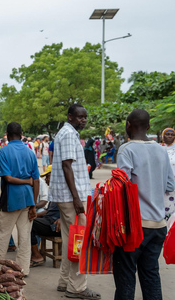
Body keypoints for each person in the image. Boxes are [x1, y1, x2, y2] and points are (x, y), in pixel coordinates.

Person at [115, 110, 175, 300]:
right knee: (151, 276)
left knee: (126, 278)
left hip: (134, 225)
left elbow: (120, 187)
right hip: (158, 225)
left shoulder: (127, 149)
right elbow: (170, 185)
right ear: (149, 126)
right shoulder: (161, 150)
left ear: (127, 125)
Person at [49, 104, 100, 299]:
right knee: (80, 240)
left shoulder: (65, 132)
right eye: (80, 117)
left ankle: (64, 281)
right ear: (70, 117)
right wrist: (77, 198)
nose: (84, 120)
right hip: (72, 198)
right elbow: (67, 166)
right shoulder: (69, 134)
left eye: (85, 117)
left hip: (66, 197)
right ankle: (77, 287)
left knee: (70, 239)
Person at [0, 122, 40, 276]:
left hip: (10, 200)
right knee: (25, 237)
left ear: (7, 134)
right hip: (27, 199)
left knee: (1, 236)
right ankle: (23, 270)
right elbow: (36, 181)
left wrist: (26, 182)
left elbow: (8, 178)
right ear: (21, 134)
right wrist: (33, 204)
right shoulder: (30, 153)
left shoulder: (3, 152)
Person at [30, 165, 61, 267]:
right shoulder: (55, 191)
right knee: (28, 221)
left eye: (47, 177)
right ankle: (36, 252)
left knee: (30, 225)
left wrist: (62, 219)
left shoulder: (62, 190)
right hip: (49, 220)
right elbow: (48, 211)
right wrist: (34, 214)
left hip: (55, 225)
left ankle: (37, 256)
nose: (46, 180)